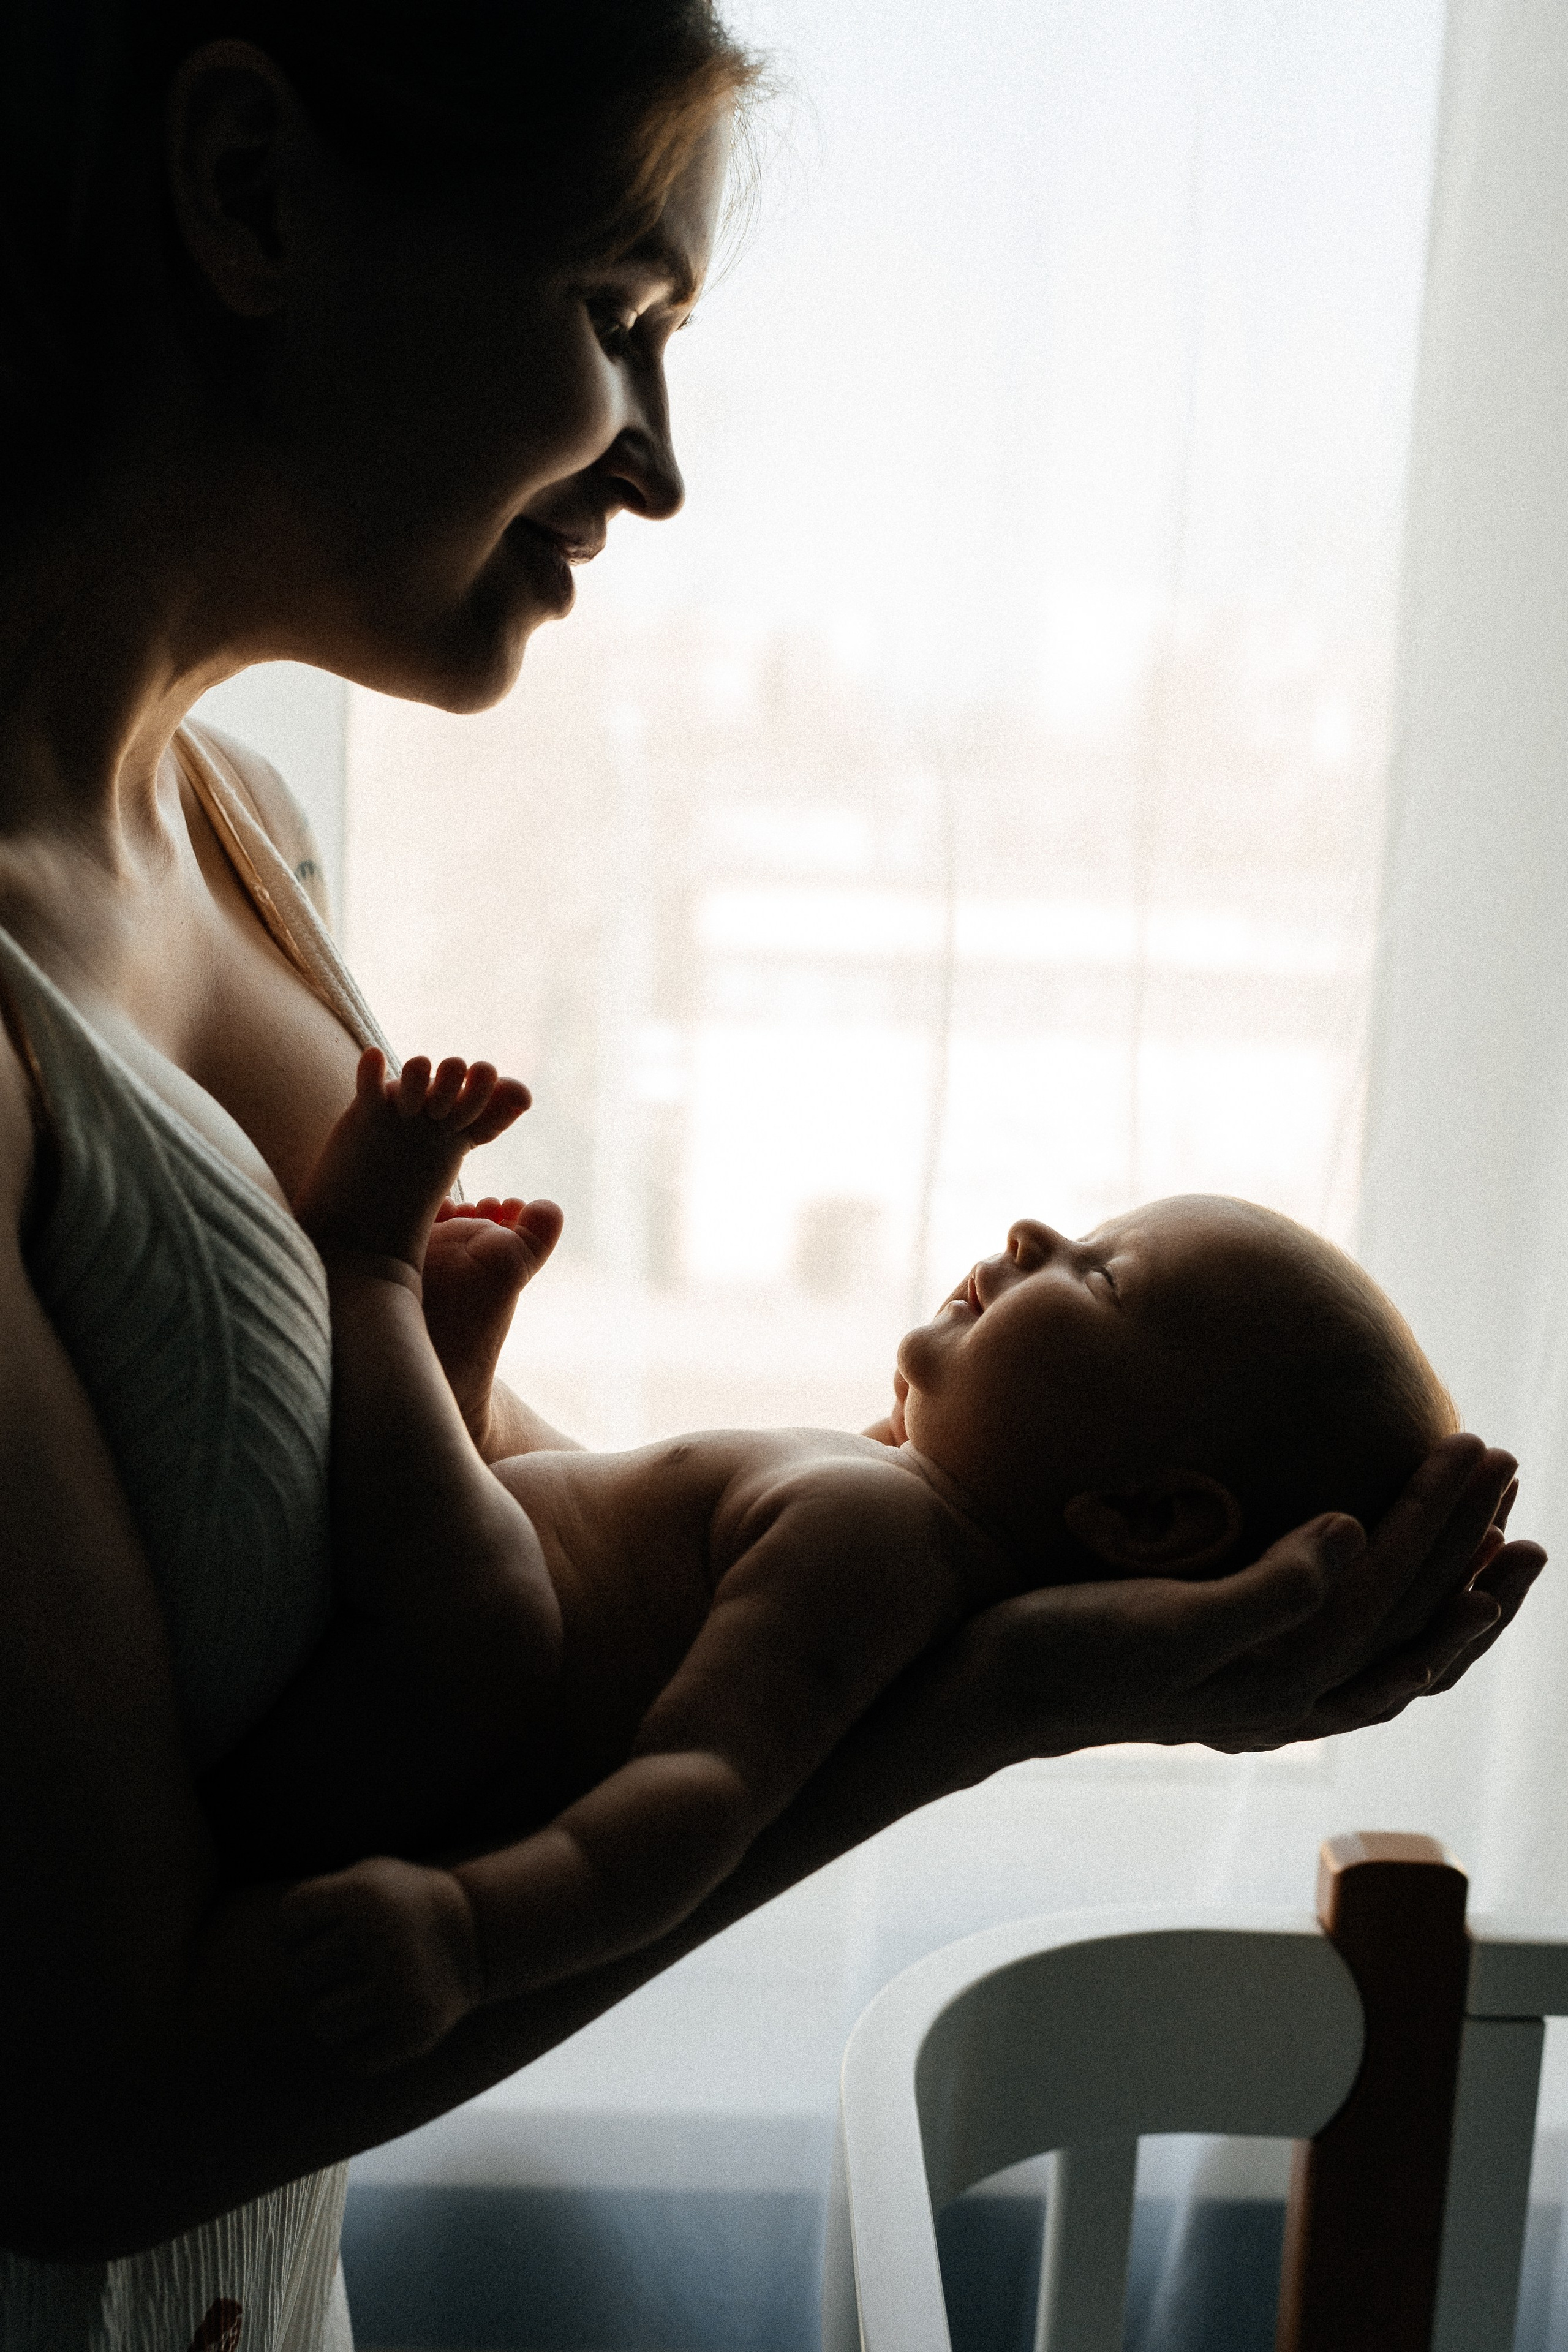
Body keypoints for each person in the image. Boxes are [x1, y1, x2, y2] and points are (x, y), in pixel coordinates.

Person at [0, 3, 1539, 2343]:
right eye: (622, 321)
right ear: (252, 192)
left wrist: (977, 1591)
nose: (661, 472)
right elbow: (83, 2118)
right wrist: (967, 1707)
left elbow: (509, 1579)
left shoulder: (236, 845)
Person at [224, 1042, 1460, 2075]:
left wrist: (468, 1930)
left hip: (380, 1743)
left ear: (1142, 1517)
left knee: (495, 1603)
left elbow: (698, 1789)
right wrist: (471, 1376)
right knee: (504, 1570)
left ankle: (360, 1266)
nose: (1031, 1231)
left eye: (1100, 1275)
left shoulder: (881, 1543)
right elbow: (600, 1553)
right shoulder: (883, 1500)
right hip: (393, 1692)